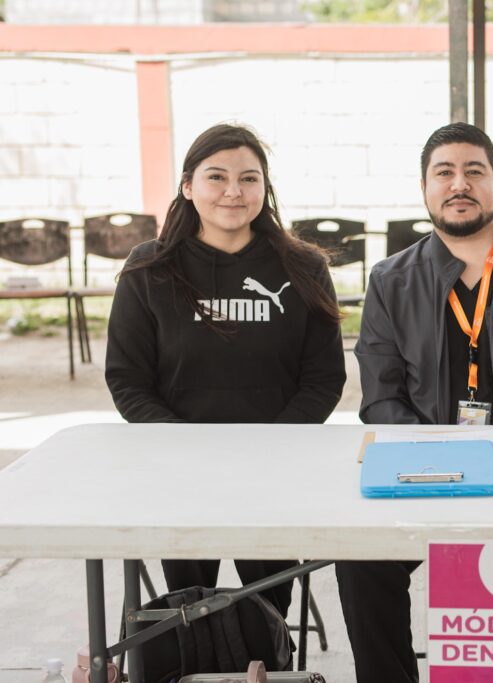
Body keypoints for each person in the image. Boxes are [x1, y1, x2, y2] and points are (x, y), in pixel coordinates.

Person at [338, 122, 493, 682]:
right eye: (445, 173)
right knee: (362, 560)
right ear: (425, 188)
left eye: (474, 172)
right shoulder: (389, 280)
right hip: (427, 468)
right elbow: (381, 397)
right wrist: (439, 462)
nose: (460, 184)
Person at [105, 123, 346, 620]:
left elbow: (324, 378)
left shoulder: (303, 267)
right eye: (217, 177)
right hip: (182, 471)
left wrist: (272, 446)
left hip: (274, 468)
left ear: (265, 188)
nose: (234, 191)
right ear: (188, 186)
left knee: (271, 611)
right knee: (189, 614)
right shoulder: (149, 268)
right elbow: (128, 378)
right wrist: (183, 446)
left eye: (249, 178)